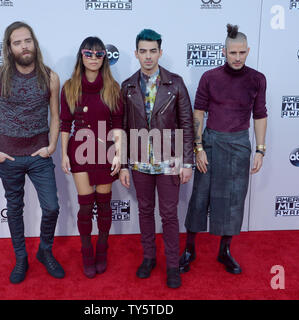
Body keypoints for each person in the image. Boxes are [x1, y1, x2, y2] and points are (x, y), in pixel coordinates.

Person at [179, 24, 268, 275]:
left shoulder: (257, 79)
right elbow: (198, 112)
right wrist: (198, 148)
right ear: (224, 52)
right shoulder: (210, 77)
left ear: (248, 51)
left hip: (240, 145)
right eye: (233, 53)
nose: (237, 58)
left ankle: (224, 250)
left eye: (242, 53)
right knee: (199, 198)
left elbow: (260, 115)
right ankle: (190, 249)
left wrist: (260, 150)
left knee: (234, 201)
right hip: (210, 142)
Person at [0, 21, 64, 284]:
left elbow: (55, 116)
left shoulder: (50, 76)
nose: (24, 46)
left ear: (34, 42)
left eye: (27, 40)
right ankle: (21, 258)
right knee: (14, 209)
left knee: (51, 207)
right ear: (9, 47)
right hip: (10, 157)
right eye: (17, 42)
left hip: (39, 156)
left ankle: (45, 250)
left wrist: (51, 146)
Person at [119, 29, 194, 288]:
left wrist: (187, 163)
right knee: (145, 211)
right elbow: (125, 128)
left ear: (160, 52)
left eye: (153, 51)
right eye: (143, 51)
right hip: (140, 162)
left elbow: (186, 124)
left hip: (169, 161)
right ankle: (149, 258)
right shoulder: (128, 86)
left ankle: (173, 264)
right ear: (136, 53)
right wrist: (124, 165)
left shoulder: (176, 83)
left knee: (170, 214)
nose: (148, 56)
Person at [60, 36, 123, 279]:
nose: (94, 58)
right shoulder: (69, 86)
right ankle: (87, 250)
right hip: (80, 150)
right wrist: (64, 153)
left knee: (104, 205)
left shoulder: (112, 86)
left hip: (105, 150)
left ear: (105, 58)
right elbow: (65, 123)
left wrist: (118, 152)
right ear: (81, 56)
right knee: (86, 207)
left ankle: (102, 248)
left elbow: (117, 122)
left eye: (99, 54)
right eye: (89, 53)